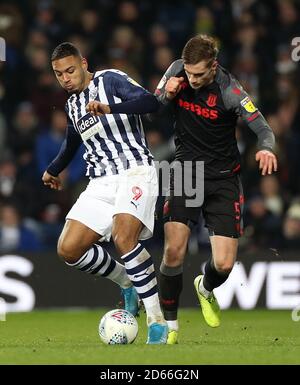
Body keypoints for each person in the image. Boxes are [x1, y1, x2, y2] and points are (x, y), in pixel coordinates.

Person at [150, 34, 277, 344]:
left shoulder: (231, 91)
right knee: (173, 250)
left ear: (213, 67)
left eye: (198, 74)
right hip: (185, 172)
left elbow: (262, 127)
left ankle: (205, 288)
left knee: (223, 264)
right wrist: (165, 96)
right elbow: (151, 109)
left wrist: (267, 148)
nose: (191, 79)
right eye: (188, 73)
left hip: (223, 179)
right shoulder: (177, 71)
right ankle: (171, 327)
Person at [42, 42, 167, 344]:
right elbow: (72, 142)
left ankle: (156, 320)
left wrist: (110, 108)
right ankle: (127, 282)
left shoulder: (110, 79)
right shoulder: (73, 104)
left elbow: (151, 103)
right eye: (59, 74)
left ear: (83, 63)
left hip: (135, 170)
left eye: (70, 70)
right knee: (68, 249)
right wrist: (54, 168)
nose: (66, 78)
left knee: (125, 239)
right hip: (99, 182)